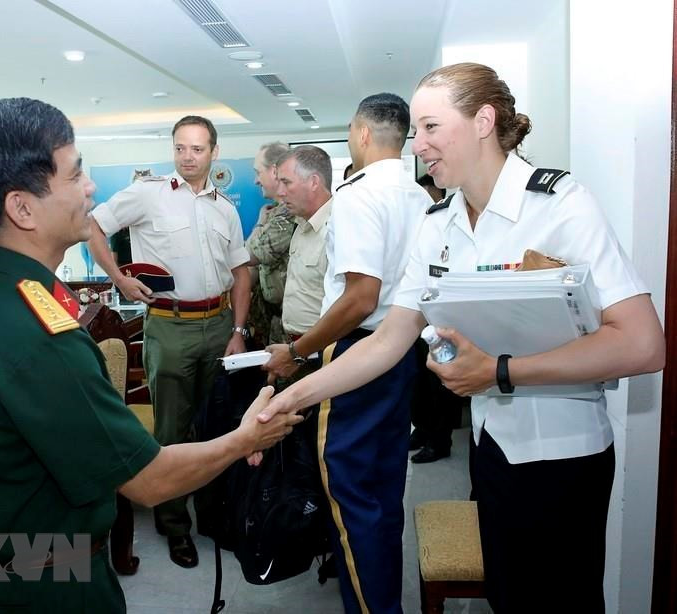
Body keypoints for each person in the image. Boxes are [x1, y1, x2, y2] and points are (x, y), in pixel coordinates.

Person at [258, 63, 666, 613]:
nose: (416, 145)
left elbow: (643, 344)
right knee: (506, 595)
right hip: (492, 448)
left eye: (430, 128)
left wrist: (499, 372)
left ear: (483, 121)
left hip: (562, 457)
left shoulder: (559, 203)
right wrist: (291, 398)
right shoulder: (439, 222)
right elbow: (388, 338)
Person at [0, 97, 300, 613]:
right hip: (48, 582)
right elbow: (150, 480)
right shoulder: (37, 334)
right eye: (75, 173)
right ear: (22, 206)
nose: (91, 187)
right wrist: (247, 437)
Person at [262, 93, 433, 614]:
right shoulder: (421, 196)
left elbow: (360, 297)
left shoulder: (358, 195)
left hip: (360, 355)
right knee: (382, 494)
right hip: (401, 352)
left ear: (361, 134)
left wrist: (297, 349)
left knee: (351, 496)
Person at [86, 115, 251, 569]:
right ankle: (174, 526)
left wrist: (238, 331)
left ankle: (213, 518)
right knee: (172, 433)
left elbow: (241, 274)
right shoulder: (147, 193)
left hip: (219, 326)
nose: (188, 157)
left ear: (213, 152)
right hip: (170, 325)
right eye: (181, 148)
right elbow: (92, 226)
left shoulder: (226, 208)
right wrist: (118, 278)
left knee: (217, 427)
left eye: (198, 149)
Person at [408, 174, 466, 464]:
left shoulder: (454, 221)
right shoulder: (430, 222)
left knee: (441, 390)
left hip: (451, 325)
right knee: (422, 386)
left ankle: (439, 441)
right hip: (424, 321)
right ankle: (424, 430)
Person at [273, 145, 333, 384]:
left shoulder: (337, 228)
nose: (280, 192)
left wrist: (299, 351)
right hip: (296, 350)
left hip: (323, 352)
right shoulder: (301, 225)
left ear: (314, 182)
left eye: (286, 183)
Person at [246, 141, 295, 347]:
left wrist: (259, 224)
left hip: (290, 322)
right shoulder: (274, 211)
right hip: (276, 319)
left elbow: (251, 255)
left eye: (259, 172)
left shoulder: (288, 212)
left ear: (274, 171)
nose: (257, 180)